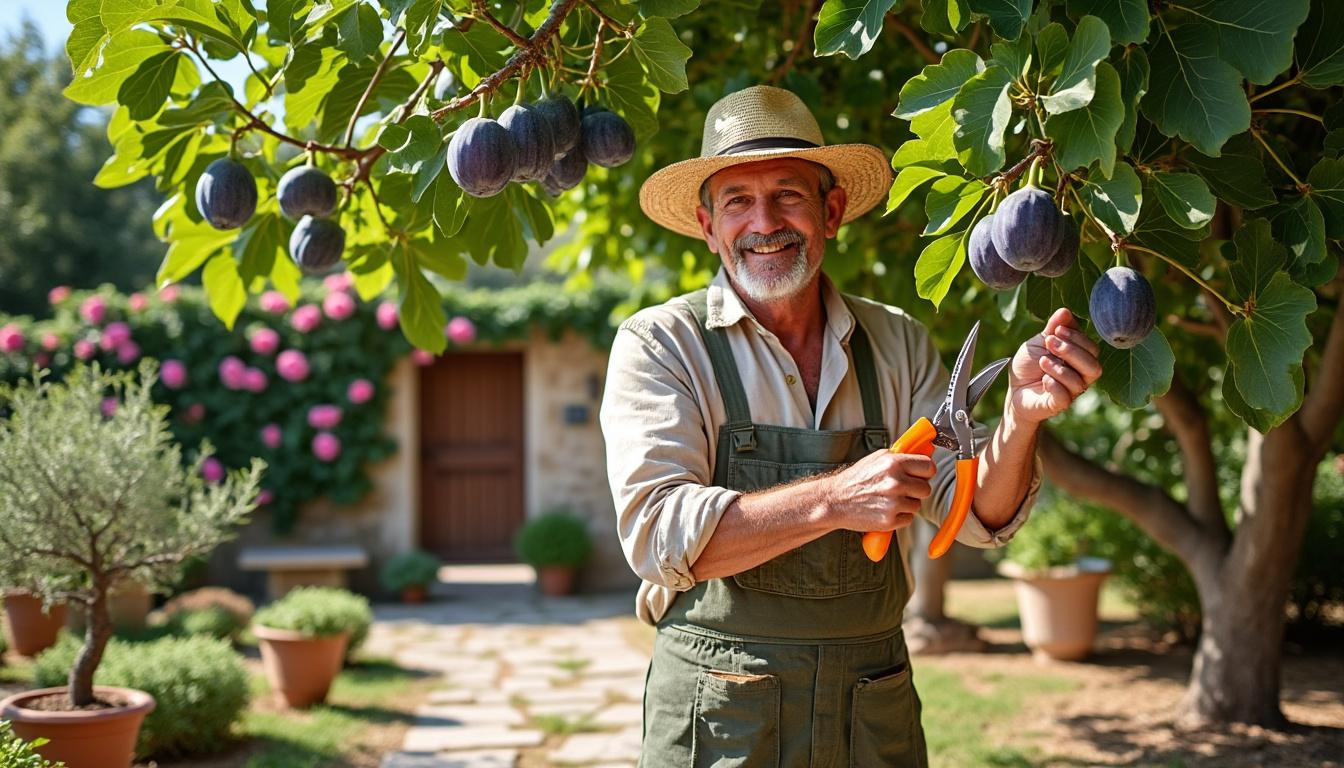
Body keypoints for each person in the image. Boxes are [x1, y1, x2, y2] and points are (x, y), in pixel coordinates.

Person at [599, 85, 1102, 767]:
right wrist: (837, 499)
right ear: (708, 223)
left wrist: (1019, 420)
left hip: (873, 705)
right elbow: (661, 536)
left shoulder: (897, 343)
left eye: (789, 195)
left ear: (831, 211)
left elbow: (976, 516)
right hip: (723, 711)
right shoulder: (661, 344)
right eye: (738, 201)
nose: (764, 222)